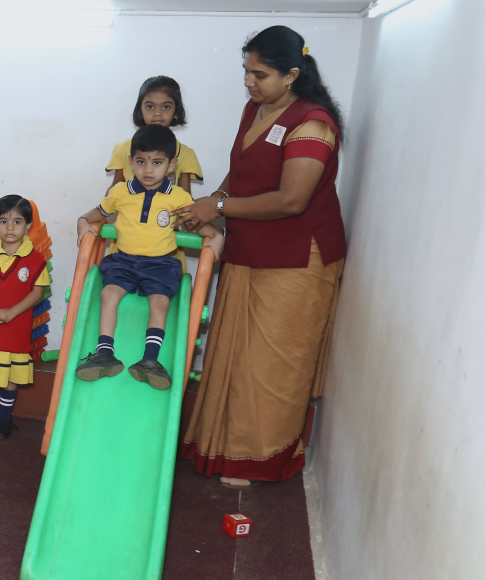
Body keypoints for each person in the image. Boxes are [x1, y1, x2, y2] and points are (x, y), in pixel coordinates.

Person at [172, 25, 348, 489]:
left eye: (259, 74)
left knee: (271, 364)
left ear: (292, 74)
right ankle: (223, 446)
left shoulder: (312, 122)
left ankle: (259, 458)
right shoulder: (258, 108)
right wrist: (209, 203)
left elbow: (293, 199)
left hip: (297, 260)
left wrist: (222, 208)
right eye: (246, 71)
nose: (249, 81)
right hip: (253, 251)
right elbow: (244, 170)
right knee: (235, 354)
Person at [75, 125, 224, 390]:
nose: (147, 169)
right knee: (108, 295)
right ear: (131, 162)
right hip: (123, 260)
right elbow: (93, 214)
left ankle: (150, 361)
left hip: (160, 264)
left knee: (160, 303)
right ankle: (104, 353)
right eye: (141, 161)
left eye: (157, 162)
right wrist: (82, 223)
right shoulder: (119, 192)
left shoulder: (178, 198)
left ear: (171, 165)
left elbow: (204, 228)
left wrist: (218, 239)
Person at [0, 195, 52, 438]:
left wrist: (12, 312)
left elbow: (37, 291)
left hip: (15, 330)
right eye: (3, 221)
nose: (10, 227)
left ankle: (4, 417)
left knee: (11, 373)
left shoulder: (36, 260)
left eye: (17, 221)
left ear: (28, 226)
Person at [106, 76, 204, 194]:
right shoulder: (123, 149)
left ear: (176, 112)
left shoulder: (186, 154)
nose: (157, 113)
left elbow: (186, 201)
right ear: (140, 112)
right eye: (150, 107)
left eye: (166, 107)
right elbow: (113, 193)